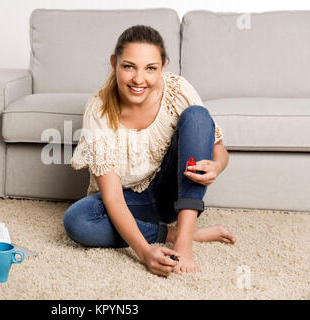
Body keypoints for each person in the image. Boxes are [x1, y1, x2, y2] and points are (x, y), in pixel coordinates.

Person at [63, 25, 236, 278]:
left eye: (150, 68)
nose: (138, 79)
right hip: (129, 202)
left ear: (163, 66)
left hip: (171, 193)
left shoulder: (178, 90)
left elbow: (220, 153)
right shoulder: (98, 109)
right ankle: (170, 233)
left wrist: (216, 167)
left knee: (198, 116)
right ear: (114, 63)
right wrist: (145, 253)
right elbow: (112, 198)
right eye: (129, 66)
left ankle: (184, 241)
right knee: (77, 221)